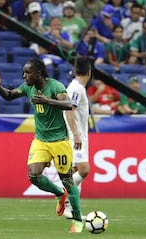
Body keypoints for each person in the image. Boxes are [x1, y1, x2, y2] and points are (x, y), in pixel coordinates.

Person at [0, 58, 84, 233]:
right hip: (40, 140)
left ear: (39, 73)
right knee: (33, 175)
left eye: (28, 72)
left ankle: (78, 221)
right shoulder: (28, 87)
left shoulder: (55, 87)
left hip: (59, 141)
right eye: (24, 72)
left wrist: (47, 101)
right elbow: (10, 95)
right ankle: (59, 193)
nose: (24, 75)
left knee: (68, 181)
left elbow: (69, 104)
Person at [63, 56, 91, 219]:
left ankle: (72, 208)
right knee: (83, 170)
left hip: (78, 137)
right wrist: (76, 134)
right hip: (75, 137)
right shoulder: (76, 88)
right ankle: (62, 194)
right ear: (89, 72)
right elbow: (69, 109)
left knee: (74, 171)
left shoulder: (77, 87)